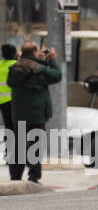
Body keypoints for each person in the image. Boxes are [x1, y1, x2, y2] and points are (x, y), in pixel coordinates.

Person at [6, 42, 61, 184]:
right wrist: (51, 59)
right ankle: (34, 176)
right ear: (35, 52)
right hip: (36, 114)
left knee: (18, 145)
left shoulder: (14, 69)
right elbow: (57, 75)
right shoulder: (40, 70)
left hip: (18, 114)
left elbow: (24, 67)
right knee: (35, 145)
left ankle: (15, 177)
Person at [0, 44, 15, 173]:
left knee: (9, 128)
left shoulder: (0, 65)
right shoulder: (16, 65)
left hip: (2, 102)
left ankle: (9, 154)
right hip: (15, 102)